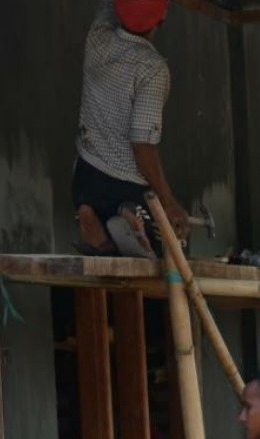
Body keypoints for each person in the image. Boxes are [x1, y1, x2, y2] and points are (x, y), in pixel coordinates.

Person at [74, 0, 190, 257]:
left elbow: (108, 7)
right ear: (162, 18)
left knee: (104, 260)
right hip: (126, 184)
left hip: (86, 177)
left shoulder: (98, 37)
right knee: (170, 247)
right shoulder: (152, 68)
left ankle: (92, 216)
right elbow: (142, 145)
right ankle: (130, 215)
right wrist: (169, 203)